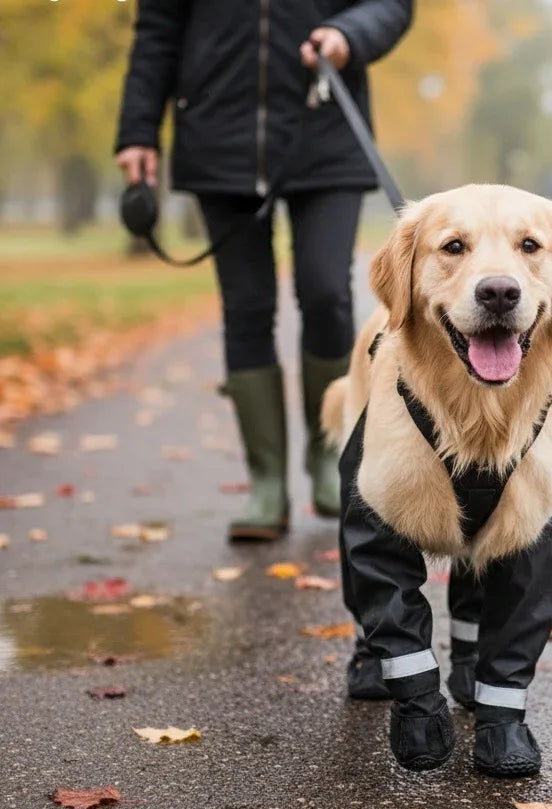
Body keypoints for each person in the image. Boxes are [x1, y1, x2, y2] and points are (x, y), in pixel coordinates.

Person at [115, 0, 413, 540]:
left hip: (324, 128)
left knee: (326, 291)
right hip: (217, 136)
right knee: (246, 307)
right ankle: (266, 482)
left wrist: (347, 34)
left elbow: (391, 4)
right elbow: (159, 25)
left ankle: (330, 458)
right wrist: (137, 128)